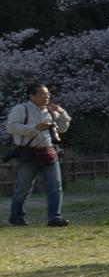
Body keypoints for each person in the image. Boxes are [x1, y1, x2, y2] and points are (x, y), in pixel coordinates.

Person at [7, 83, 71, 227]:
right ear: (32, 96)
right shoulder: (21, 109)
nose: (46, 96)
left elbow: (62, 129)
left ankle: (55, 217)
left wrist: (62, 113)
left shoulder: (50, 110)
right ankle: (17, 217)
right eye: (42, 94)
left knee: (55, 186)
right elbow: (11, 127)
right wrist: (34, 128)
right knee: (23, 187)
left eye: (47, 94)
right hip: (28, 153)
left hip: (48, 151)